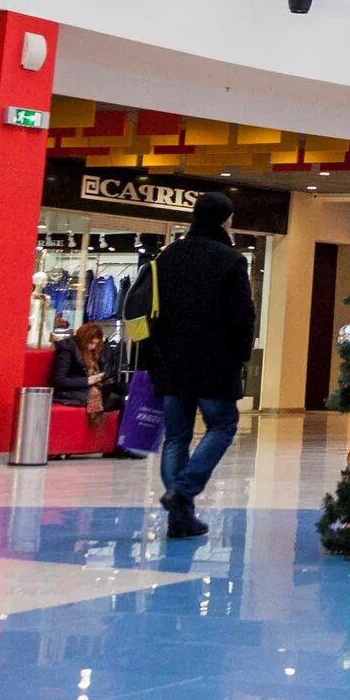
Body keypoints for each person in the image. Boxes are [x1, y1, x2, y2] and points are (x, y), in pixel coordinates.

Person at [138, 191, 257, 539]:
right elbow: (242, 316)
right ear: (225, 220)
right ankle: (183, 491)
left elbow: (153, 313)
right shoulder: (231, 261)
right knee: (222, 426)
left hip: (172, 362)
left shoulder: (168, 256)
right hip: (215, 362)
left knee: (176, 436)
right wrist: (241, 354)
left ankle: (180, 518)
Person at [50, 320, 117, 418]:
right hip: (70, 392)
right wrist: (88, 381)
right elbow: (60, 380)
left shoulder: (93, 353)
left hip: (86, 388)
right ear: (84, 339)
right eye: (91, 343)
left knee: (124, 391)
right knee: (117, 399)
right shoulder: (68, 350)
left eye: (96, 344)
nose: (93, 347)